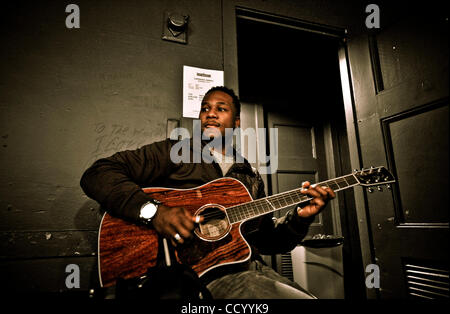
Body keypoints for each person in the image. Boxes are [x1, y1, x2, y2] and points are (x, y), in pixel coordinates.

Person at [80, 86, 335, 299]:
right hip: (196, 278)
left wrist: (302, 218)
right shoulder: (176, 151)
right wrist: (154, 212)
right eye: (205, 108)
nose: (210, 114)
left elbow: (265, 241)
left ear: (236, 122)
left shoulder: (250, 177)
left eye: (220, 109)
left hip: (253, 270)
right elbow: (98, 174)